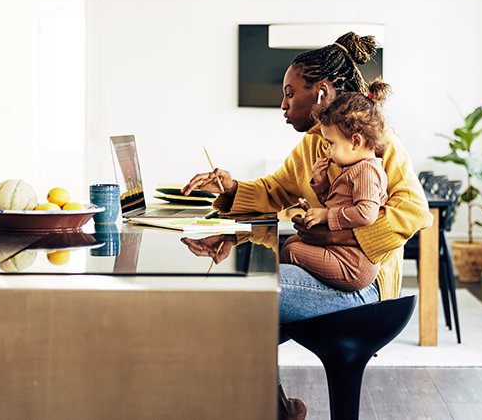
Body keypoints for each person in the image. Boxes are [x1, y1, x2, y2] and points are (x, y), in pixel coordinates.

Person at [182, 32, 432, 420]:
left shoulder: (376, 144)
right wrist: (230, 188)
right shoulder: (315, 145)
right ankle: (280, 410)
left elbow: (416, 210)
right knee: (236, 304)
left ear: (320, 94)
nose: (282, 105)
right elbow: (275, 189)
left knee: (241, 300)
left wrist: (335, 231)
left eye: (288, 93)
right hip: (325, 273)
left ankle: (279, 411)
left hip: (363, 288)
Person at [280, 79, 392, 292]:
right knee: (292, 242)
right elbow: (337, 203)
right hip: (341, 254)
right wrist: (321, 182)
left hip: (352, 265)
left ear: (356, 142)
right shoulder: (353, 169)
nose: (328, 150)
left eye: (331, 143)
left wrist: (324, 216)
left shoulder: (367, 171)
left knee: (290, 252)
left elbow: (366, 214)